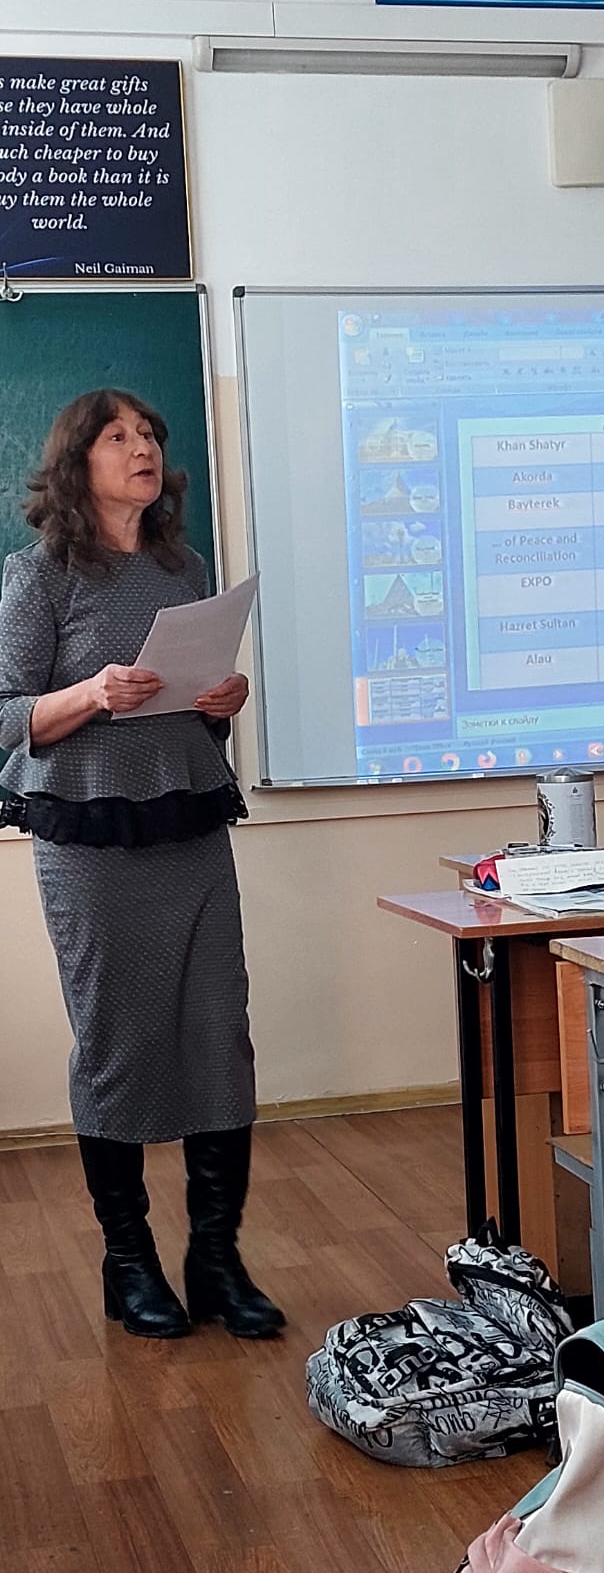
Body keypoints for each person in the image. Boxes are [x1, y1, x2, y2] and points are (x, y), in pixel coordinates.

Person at [0, 389, 284, 1341]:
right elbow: (5, 714)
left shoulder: (183, 568)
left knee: (218, 1035)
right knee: (118, 1045)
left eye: (151, 434)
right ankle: (128, 1263)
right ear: (77, 461)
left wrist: (221, 701)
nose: (143, 447)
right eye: (118, 435)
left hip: (188, 824)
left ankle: (216, 1259)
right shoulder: (37, 577)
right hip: (89, 841)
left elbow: (192, 702)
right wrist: (92, 693)